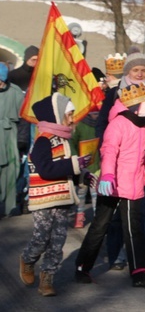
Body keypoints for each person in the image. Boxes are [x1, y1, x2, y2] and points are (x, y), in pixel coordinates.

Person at [75, 83, 145, 287]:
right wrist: (108, 175)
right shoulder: (118, 124)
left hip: (133, 183)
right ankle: (83, 266)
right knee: (100, 225)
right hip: (111, 184)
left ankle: (139, 271)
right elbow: (109, 150)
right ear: (134, 105)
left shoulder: (144, 126)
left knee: (133, 228)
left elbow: (141, 155)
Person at [20, 93, 90, 297]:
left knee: (57, 240)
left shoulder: (64, 139)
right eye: (69, 114)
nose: (72, 118)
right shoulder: (44, 140)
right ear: (57, 115)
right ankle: (28, 259)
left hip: (62, 198)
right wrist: (74, 164)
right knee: (42, 237)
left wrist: (82, 175)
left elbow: (67, 167)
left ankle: (48, 277)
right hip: (44, 198)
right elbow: (46, 169)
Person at [8, 45, 38, 216]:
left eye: (38, 60)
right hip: (18, 126)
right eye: (33, 59)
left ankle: (27, 199)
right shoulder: (14, 77)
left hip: (35, 126)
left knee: (30, 165)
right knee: (17, 165)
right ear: (27, 58)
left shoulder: (42, 77)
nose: (36, 63)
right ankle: (16, 198)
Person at [68, 105, 101, 229]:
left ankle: (97, 219)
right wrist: (76, 158)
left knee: (96, 195)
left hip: (97, 165)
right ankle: (79, 217)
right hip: (82, 166)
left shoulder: (101, 125)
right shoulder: (80, 126)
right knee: (81, 193)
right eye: (94, 114)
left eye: (97, 114)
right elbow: (72, 143)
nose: (95, 116)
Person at [0, 63, 24, 217]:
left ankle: (8, 208)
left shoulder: (16, 92)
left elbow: (24, 120)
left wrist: (22, 141)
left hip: (9, 138)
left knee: (10, 172)